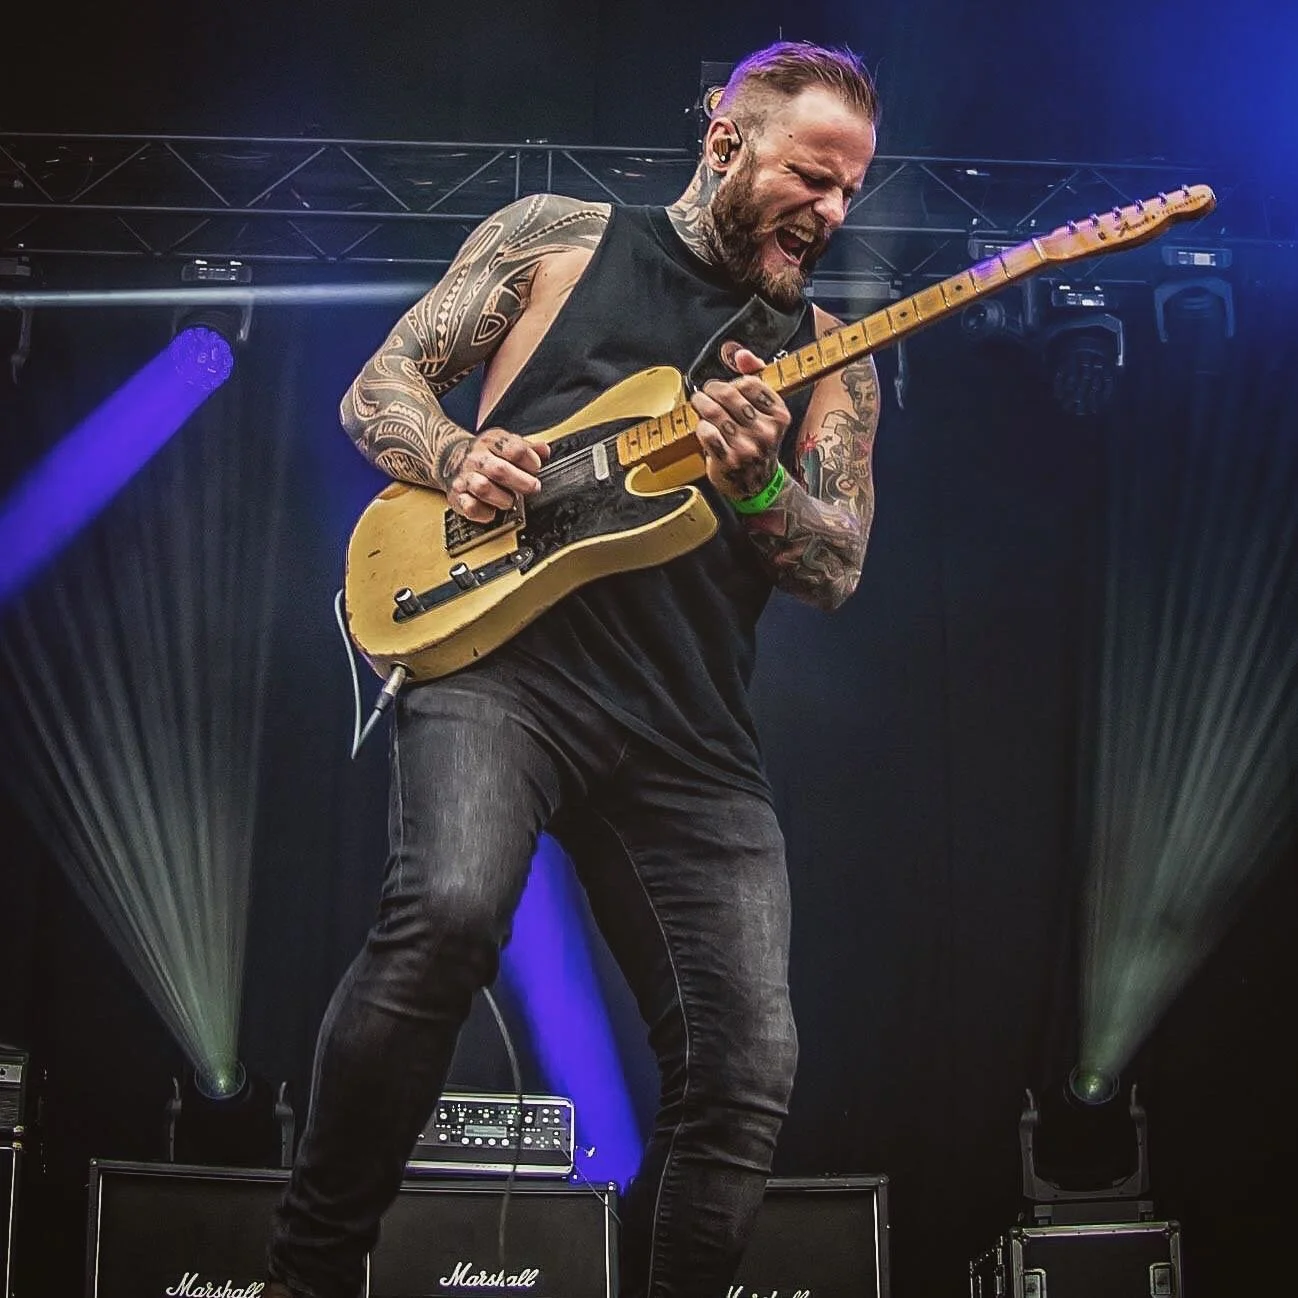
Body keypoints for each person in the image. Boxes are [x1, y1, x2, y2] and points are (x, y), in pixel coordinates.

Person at [267, 39, 881, 1298]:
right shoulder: (553, 238)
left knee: (745, 1065)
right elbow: (379, 384)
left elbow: (833, 569)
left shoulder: (828, 357)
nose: (829, 212)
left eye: (849, 193)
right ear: (726, 143)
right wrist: (454, 455)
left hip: (687, 726)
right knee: (445, 911)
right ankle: (307, 1273)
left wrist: (755, 475)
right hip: (505, 666)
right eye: (811, 177)